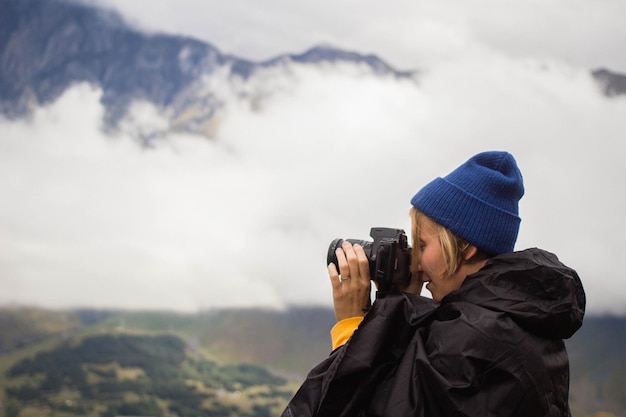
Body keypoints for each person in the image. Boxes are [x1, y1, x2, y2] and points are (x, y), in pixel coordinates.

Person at [282, 151, 585, 417]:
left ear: (465, 246)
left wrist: (352, 328)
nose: (416, 265)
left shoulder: (471, 342)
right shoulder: (523, 320)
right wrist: (398, 315)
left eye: (422, 245)